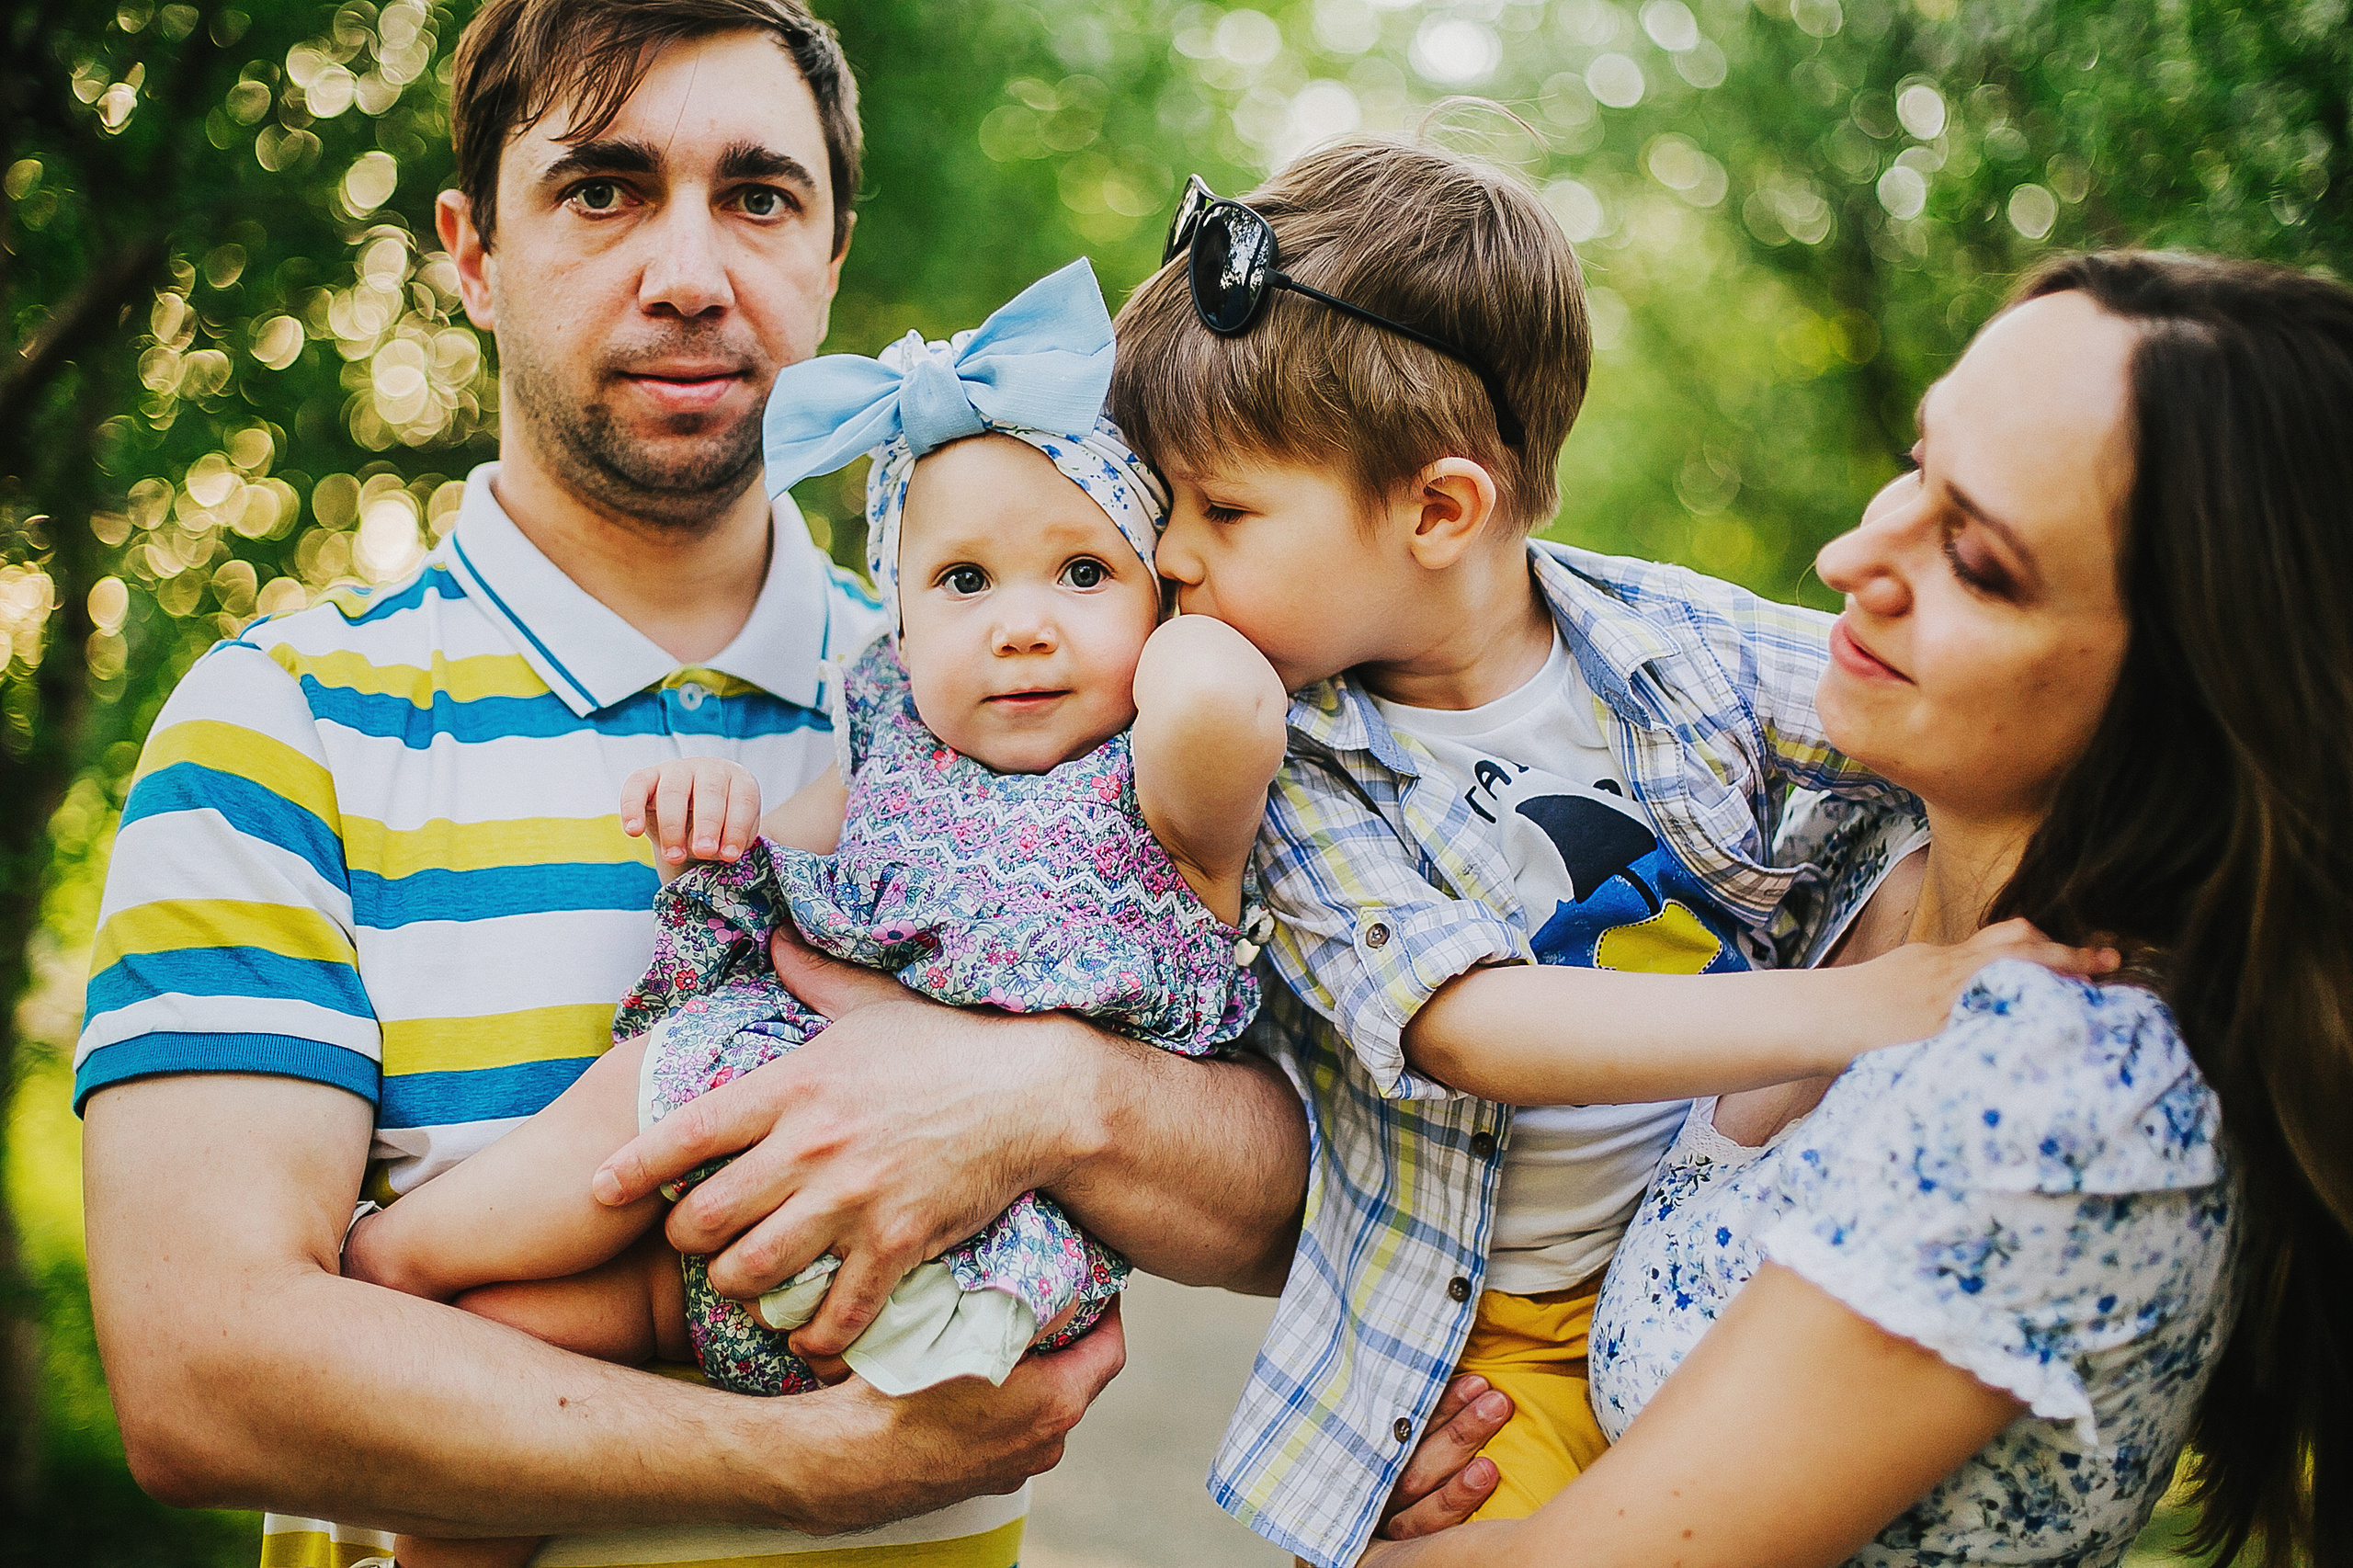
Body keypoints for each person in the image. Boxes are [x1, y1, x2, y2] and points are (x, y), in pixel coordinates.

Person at [72, 6, 1306, 1567]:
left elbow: (1291, 1199)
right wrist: (808, 1460)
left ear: (834, 250)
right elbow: (202, 1378)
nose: (687, 272)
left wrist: (1048, 1095)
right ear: (471, 251)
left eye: (758, 195)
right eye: (601, 190)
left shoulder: (1015, 700)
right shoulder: (279, 727)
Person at [1107, 137, 2087, 1563]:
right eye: (1162, 505)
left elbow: (1935, 715)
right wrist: (1870, 1003)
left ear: (1440, 508)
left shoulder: (1668, 645)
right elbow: (1461, 1023)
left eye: (1223, 508)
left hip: (1728, 1255)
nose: (1170, 554)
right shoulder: (1290, 757)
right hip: (1496, 1336)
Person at [1353, 252, 2353, 1566]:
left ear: (2194, 690)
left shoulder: (2077, 1085)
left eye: (1979, 562)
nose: (1850, 555)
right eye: (1915, 461)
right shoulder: (1844, 844)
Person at [342, 259, 1288, 1568]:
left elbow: (1225, 704)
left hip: (938, 1291)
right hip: (716, 1254)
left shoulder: (1169, 793)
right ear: (896, 624)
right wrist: (707, 805)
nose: (1022, 626)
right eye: (965, 582)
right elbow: (760, 867)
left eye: (1083, 571)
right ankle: (401, 1312)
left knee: (643, 1094)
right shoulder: (887, 732)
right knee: (495, 1352)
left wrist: (1191, 620)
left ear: (1163, 595)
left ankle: (396, 1256)